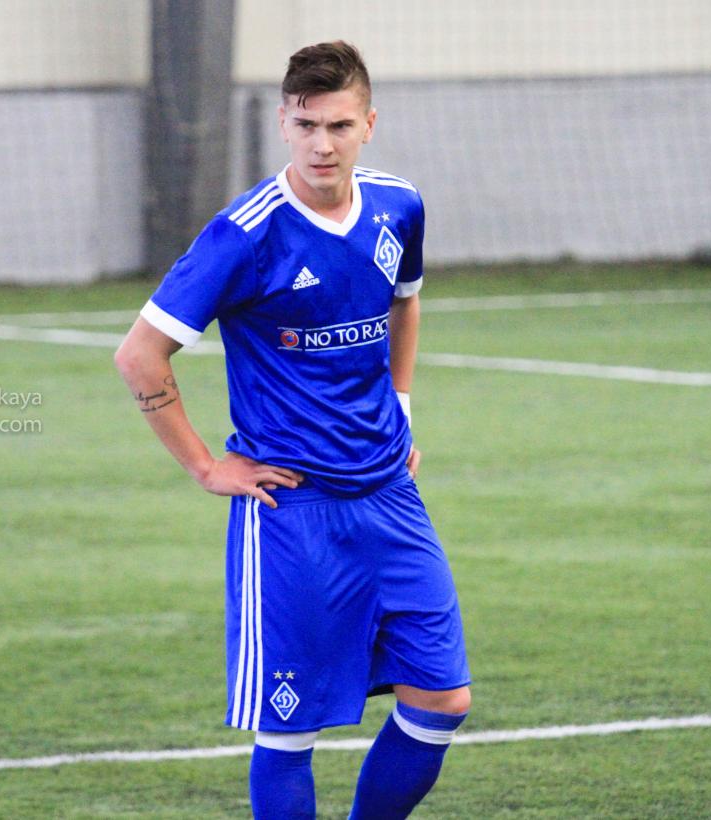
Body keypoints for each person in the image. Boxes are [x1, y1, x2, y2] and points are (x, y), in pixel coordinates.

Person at [114, 40, 471, 819]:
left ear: (368, 124)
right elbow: (139, 355)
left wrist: (402, 408)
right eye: (306, 125)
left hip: (390, 495)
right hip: (291, 509)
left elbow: (403, 299)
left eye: (339, 125)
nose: (322, 144)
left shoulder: (399, 206)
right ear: (282, 122)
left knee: (442, 699)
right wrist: (207, 467)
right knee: (290, 729)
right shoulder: (244, 235)